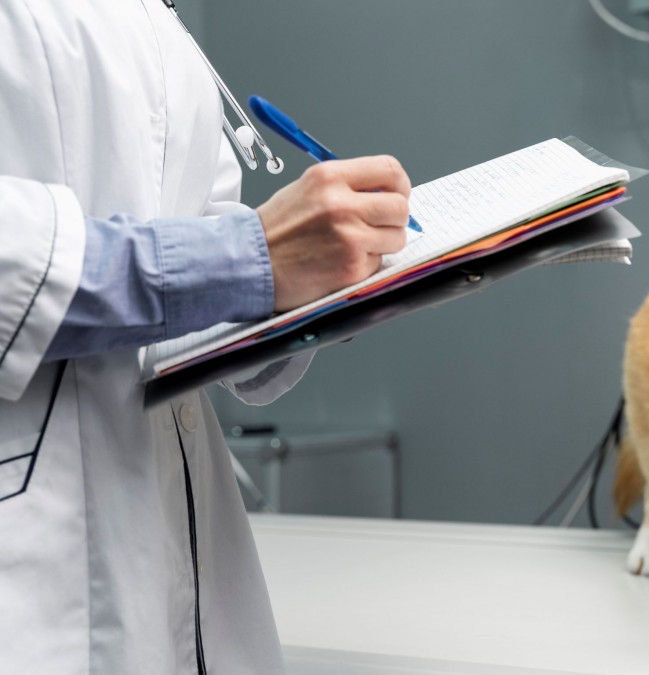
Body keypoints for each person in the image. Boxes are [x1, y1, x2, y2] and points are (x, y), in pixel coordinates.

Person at [0, 2, 411, 671]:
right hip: (33, 584)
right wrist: (245, 258)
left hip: (181, 555)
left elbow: (191, 235)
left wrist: (325, 289)